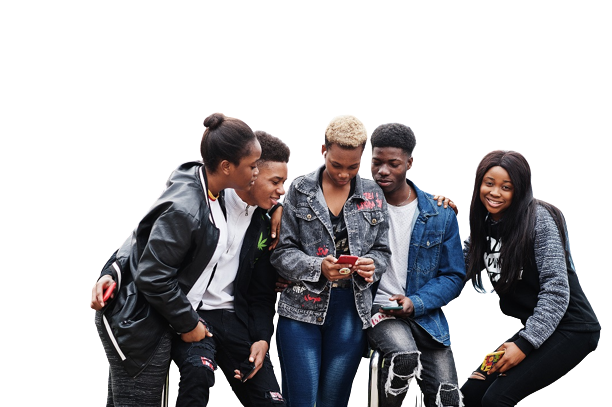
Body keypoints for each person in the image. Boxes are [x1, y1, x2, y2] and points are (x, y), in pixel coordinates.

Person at [90, 112, 264, 406]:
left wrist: (277, 210)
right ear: (226, 166)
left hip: (151, 316)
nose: (257, 171)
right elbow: (153, 277)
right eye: (252, 165)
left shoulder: (203, 181)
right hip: (139, 323)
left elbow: (143, 232)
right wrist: (189, 324)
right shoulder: (187, 209)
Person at [460, 149, 600, 406]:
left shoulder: (538, 219)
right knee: (470, 393)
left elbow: (556, 291)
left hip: (573, 327)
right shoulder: (486, 224)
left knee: (496, 399)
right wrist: (437, 208)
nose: (494, 193)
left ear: (520, 189)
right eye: (489, 183)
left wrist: (524, 344)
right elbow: (454, 265)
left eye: (506, 187)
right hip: (537, 326)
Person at [269, 114, 391, 407]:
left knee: (333, 400)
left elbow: (383, 252)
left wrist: (372, 265)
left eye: (353, 166)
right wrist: (318, 267)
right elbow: (281, 252)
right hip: (300, 309)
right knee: (302, 400)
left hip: (351, 310)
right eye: (336, 165)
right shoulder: (299, 189)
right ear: (323, 150)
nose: (343, 174)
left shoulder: (374, 193)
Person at [366, 122, 466, 407]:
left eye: (393, 164)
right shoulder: (357, 205)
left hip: (426, 317)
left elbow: (453, 275)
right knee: (404, 359)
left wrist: (416, 302)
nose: (383, 171)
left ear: (409, 163)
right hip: (379, 311)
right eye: (377, 162)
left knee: (448, 397)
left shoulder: (440, 214)